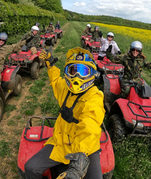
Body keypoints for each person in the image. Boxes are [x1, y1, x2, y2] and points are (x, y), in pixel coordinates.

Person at [24, 47, 105, 179]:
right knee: (31, 168)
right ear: (68, 72)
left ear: (92, 74)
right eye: (73, 70)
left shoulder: (94, 96)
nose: (77, 76)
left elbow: (90, 124)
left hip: (85, 148)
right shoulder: (65, 90)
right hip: (60, 142)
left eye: (83, 71)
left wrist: (80, 155)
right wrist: (51, 64)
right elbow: (56, 81)